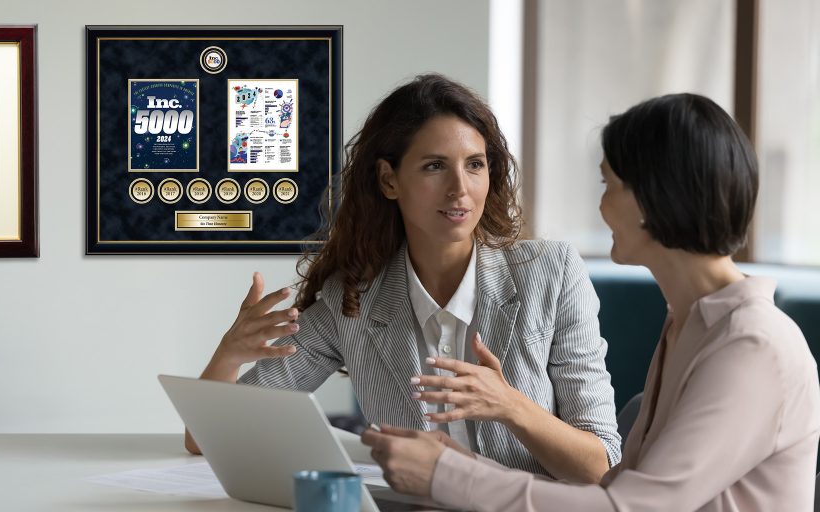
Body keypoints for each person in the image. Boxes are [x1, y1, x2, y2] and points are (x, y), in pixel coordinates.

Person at [361, 93, 820, 510]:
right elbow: (612, 489)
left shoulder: (752, 345)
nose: (601, 208)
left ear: (651, 200)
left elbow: (629, 507)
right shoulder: (689, 324)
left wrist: (448, 475)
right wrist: (459, 464)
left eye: (608, 186)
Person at [185, 74, 621, 482]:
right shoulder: (351, 301)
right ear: (389, 180)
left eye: (475, 165)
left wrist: (512, 408)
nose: (460, 188)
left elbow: (602, 466)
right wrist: (229, 354)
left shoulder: (551, 272)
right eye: (434, 166)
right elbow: (206, 439)